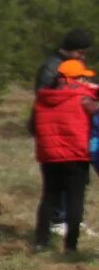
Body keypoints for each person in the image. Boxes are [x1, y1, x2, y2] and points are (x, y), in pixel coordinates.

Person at [31, 58, 98, 255]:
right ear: (71, 79)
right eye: (80, 77)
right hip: (77, 155)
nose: (83, 81)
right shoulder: (84, 96)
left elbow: (33, 127)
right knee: (75, 199)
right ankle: (71, 246)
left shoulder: (43, 99)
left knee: (49, 197)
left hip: (49, 155)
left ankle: (41, 242)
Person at [35, 30, 91, 239]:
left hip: (69, 133)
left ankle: (69, 220)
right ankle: (59, 221)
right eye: (81, 52)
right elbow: (45, 99)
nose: (83, 56)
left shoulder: (69, 65)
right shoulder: (52, 67)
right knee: (58, 184)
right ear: (70, 49)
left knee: (72, 183)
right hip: (58, 133)